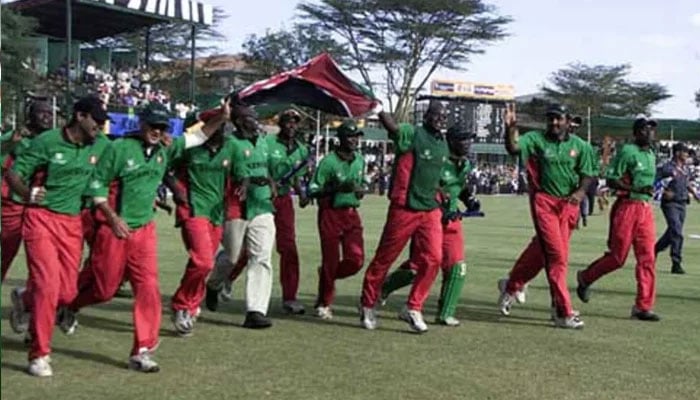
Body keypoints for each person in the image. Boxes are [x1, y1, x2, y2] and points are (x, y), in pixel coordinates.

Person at [65, 101, 230, 372]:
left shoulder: (166, 149)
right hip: (114, 230)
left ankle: (142, 350)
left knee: (149, 288)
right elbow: (97, 184)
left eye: (162, 126)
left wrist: (221, 118)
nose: (157, 131)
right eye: (153, 125)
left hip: (144, 230)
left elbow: (198, 136)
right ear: (142, 124)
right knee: (104, 289)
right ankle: (70, 306)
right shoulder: (119, 149)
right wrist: (112, 217)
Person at [6, 96, 111, 377]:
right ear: (80, 116)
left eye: (102, 122)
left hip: (72, 223)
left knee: (67, 292)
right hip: (40, 219)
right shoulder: (47, 142)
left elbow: (122, 157)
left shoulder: (101, 144)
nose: (100, 127)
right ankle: (39, 354)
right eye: (96, 120)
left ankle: (25, 299)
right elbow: (13, 174)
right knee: (49, 287)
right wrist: (28, 193)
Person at [497, 104, 596, 329]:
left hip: (568, 206)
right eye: (550, 119)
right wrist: (509, 128)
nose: (554, 123)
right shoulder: (536, 139)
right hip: (544, 202)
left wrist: (580, 193)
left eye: (558, 119)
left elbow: (588, 174)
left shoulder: (581, 146)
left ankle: (512, 284)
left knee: (541, 252)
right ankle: (563, 312)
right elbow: (513, 148)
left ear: (568, 120)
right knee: (557, 257)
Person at [359, 100, 449, 333]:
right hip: (404, 208)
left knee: (434, 259)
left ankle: (414, 307)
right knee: (384, 258)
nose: (440, 119)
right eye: (435, 115)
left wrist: (440, 191)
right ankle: (368, 304)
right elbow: (393, 128)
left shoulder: (443, 144)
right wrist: (379, 111)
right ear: (426, 116)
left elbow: (433, 175)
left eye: (443, 116)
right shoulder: (413, 133)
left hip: (430, 209)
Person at [380, 125, 474, 326]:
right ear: (451, 142)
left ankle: (445, 314)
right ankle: (385, 286)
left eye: (469, 139)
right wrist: (440, 204)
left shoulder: (465, 164)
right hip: (429, 217)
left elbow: (460, 185)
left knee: (458, 267)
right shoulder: (438, 160)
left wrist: (469, 199)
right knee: (418, 267)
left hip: (452, 220)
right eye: (463, 139)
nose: (468, 144)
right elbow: (426, 185)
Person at [576, 117, 660, 322]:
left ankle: (643, 306)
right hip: (627, 207)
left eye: (653, 130)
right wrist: (635, 189)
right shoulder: (627, 152)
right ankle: (585, 277)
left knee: (648, 258)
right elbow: (612, 179)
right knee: (617, 258)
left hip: (645, 209)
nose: (651, 134)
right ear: (638, 132)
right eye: (648, 130)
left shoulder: (651, 153)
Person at [205, 102, 278, 329]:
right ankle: (214, 284)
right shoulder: (231, 144)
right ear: (238, 121)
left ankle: (255, 311)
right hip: (236, 206)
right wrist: (245, 181)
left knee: (261, 257)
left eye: (255, 115)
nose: (255, 119)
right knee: (232, 257)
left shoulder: (264, 141)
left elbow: (266, 168)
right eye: (250, 116)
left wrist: (271, 182)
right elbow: (225, 172)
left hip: (262, 205)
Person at [168, 106, 236, 336]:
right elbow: (165, 167)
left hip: (216, 213)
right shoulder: (190, 148)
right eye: (218, 124)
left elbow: (237, 176)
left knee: (201, 262)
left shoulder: (229, 149)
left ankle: (191, 303)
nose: (222, 129)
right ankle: (181, 305)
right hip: (193, 209)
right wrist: (176, 188)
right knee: (204, 261)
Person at [308, 119, 366, 320]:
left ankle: (326, 275)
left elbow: (361, 184)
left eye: (356, 137)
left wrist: (361, 191)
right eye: (350, 136)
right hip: (330, 213)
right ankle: (324, 303)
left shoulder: (360, 160)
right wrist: (336, 188)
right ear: (340, 139)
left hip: (351, 214)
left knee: (357, 260)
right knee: (331, 260)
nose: (354, 140)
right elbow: (313, 189)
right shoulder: (328, 162)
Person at [1, 99, 53, 281]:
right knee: (7, 248)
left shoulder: (54, 139)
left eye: (49, 113)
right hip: (15, 201)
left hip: (43, 204)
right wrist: (11, 143)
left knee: (44, 256)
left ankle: (31, 297)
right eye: (42, 113)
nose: (47, 117)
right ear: (30, 116)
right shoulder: (16, 137)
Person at [265, 109, 310, 314]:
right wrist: (270, 182)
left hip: (284, 201)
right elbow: (259, 166)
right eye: (288, 121)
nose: (291, 125)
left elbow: (296, 177)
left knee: (288, 247)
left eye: (295, 122)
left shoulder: (301, 149)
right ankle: (225, 280)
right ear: (281, 123)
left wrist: (301, 193)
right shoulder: (267, 143)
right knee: (251, 248)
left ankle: (290, 297)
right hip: (262, 199)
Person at [655, 142, 700, 274]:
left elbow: (686, 183)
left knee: (673, 232)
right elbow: (655, 180)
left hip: (682, 202)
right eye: (685, 152)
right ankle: (676, 262)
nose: (687, 155)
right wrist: (663, 192)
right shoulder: (668, 168)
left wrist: (695, 195)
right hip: (670, 204)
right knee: (677, 231)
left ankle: (655, 249)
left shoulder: (684, 168)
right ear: (677, 153)